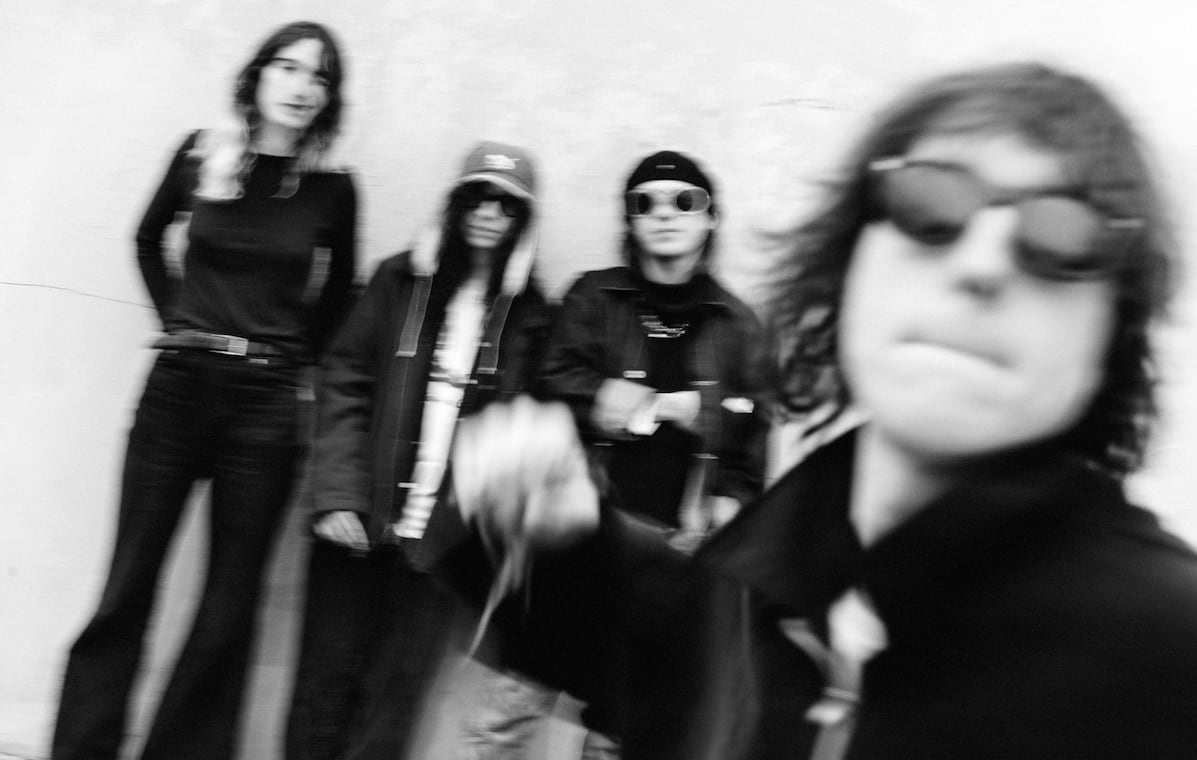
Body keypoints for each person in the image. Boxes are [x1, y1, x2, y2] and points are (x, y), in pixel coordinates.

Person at [444, 62, 1197, 759]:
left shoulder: (1163, 651)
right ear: (849, 262)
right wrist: (566, 536)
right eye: (930, 204)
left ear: (1115, 326)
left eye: (1063, 234)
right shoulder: (750, 583)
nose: (980, 263)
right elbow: (656, 657)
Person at [51, 21, 357, 760]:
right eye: (289, 67)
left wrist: (290, 360)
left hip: (265, 408)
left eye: (319, 76)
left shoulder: (331, 189)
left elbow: (338, 290)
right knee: (129, 582)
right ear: (257, 76)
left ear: (328, 99)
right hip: (178, 390)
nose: (302, 86)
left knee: (229, 602)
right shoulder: (200, 154)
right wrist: (179, 324)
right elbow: (146, 239)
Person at [456, 151, 771, 760]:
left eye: (685, 201)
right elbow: (552, 384)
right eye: (645, 202)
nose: (665, 214)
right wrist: (644, 405)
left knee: (622, 734)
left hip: (674, 557)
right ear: (629, 219)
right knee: (505, 719)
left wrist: (730, 510)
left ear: (711, 218)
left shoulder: (738, 325)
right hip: (578, 541)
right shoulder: (595, 298)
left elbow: (748, 453)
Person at [284, 141, 551, 760]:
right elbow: (344, 380)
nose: (489, 213)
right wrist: (336, 495)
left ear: (523, 222)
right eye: (477, 197)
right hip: (358, 522)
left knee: (394, 700)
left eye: (507, 205)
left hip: (441, 549)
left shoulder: (532, 317)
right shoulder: (398, 281)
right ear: (455, 204)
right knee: (323, 687)